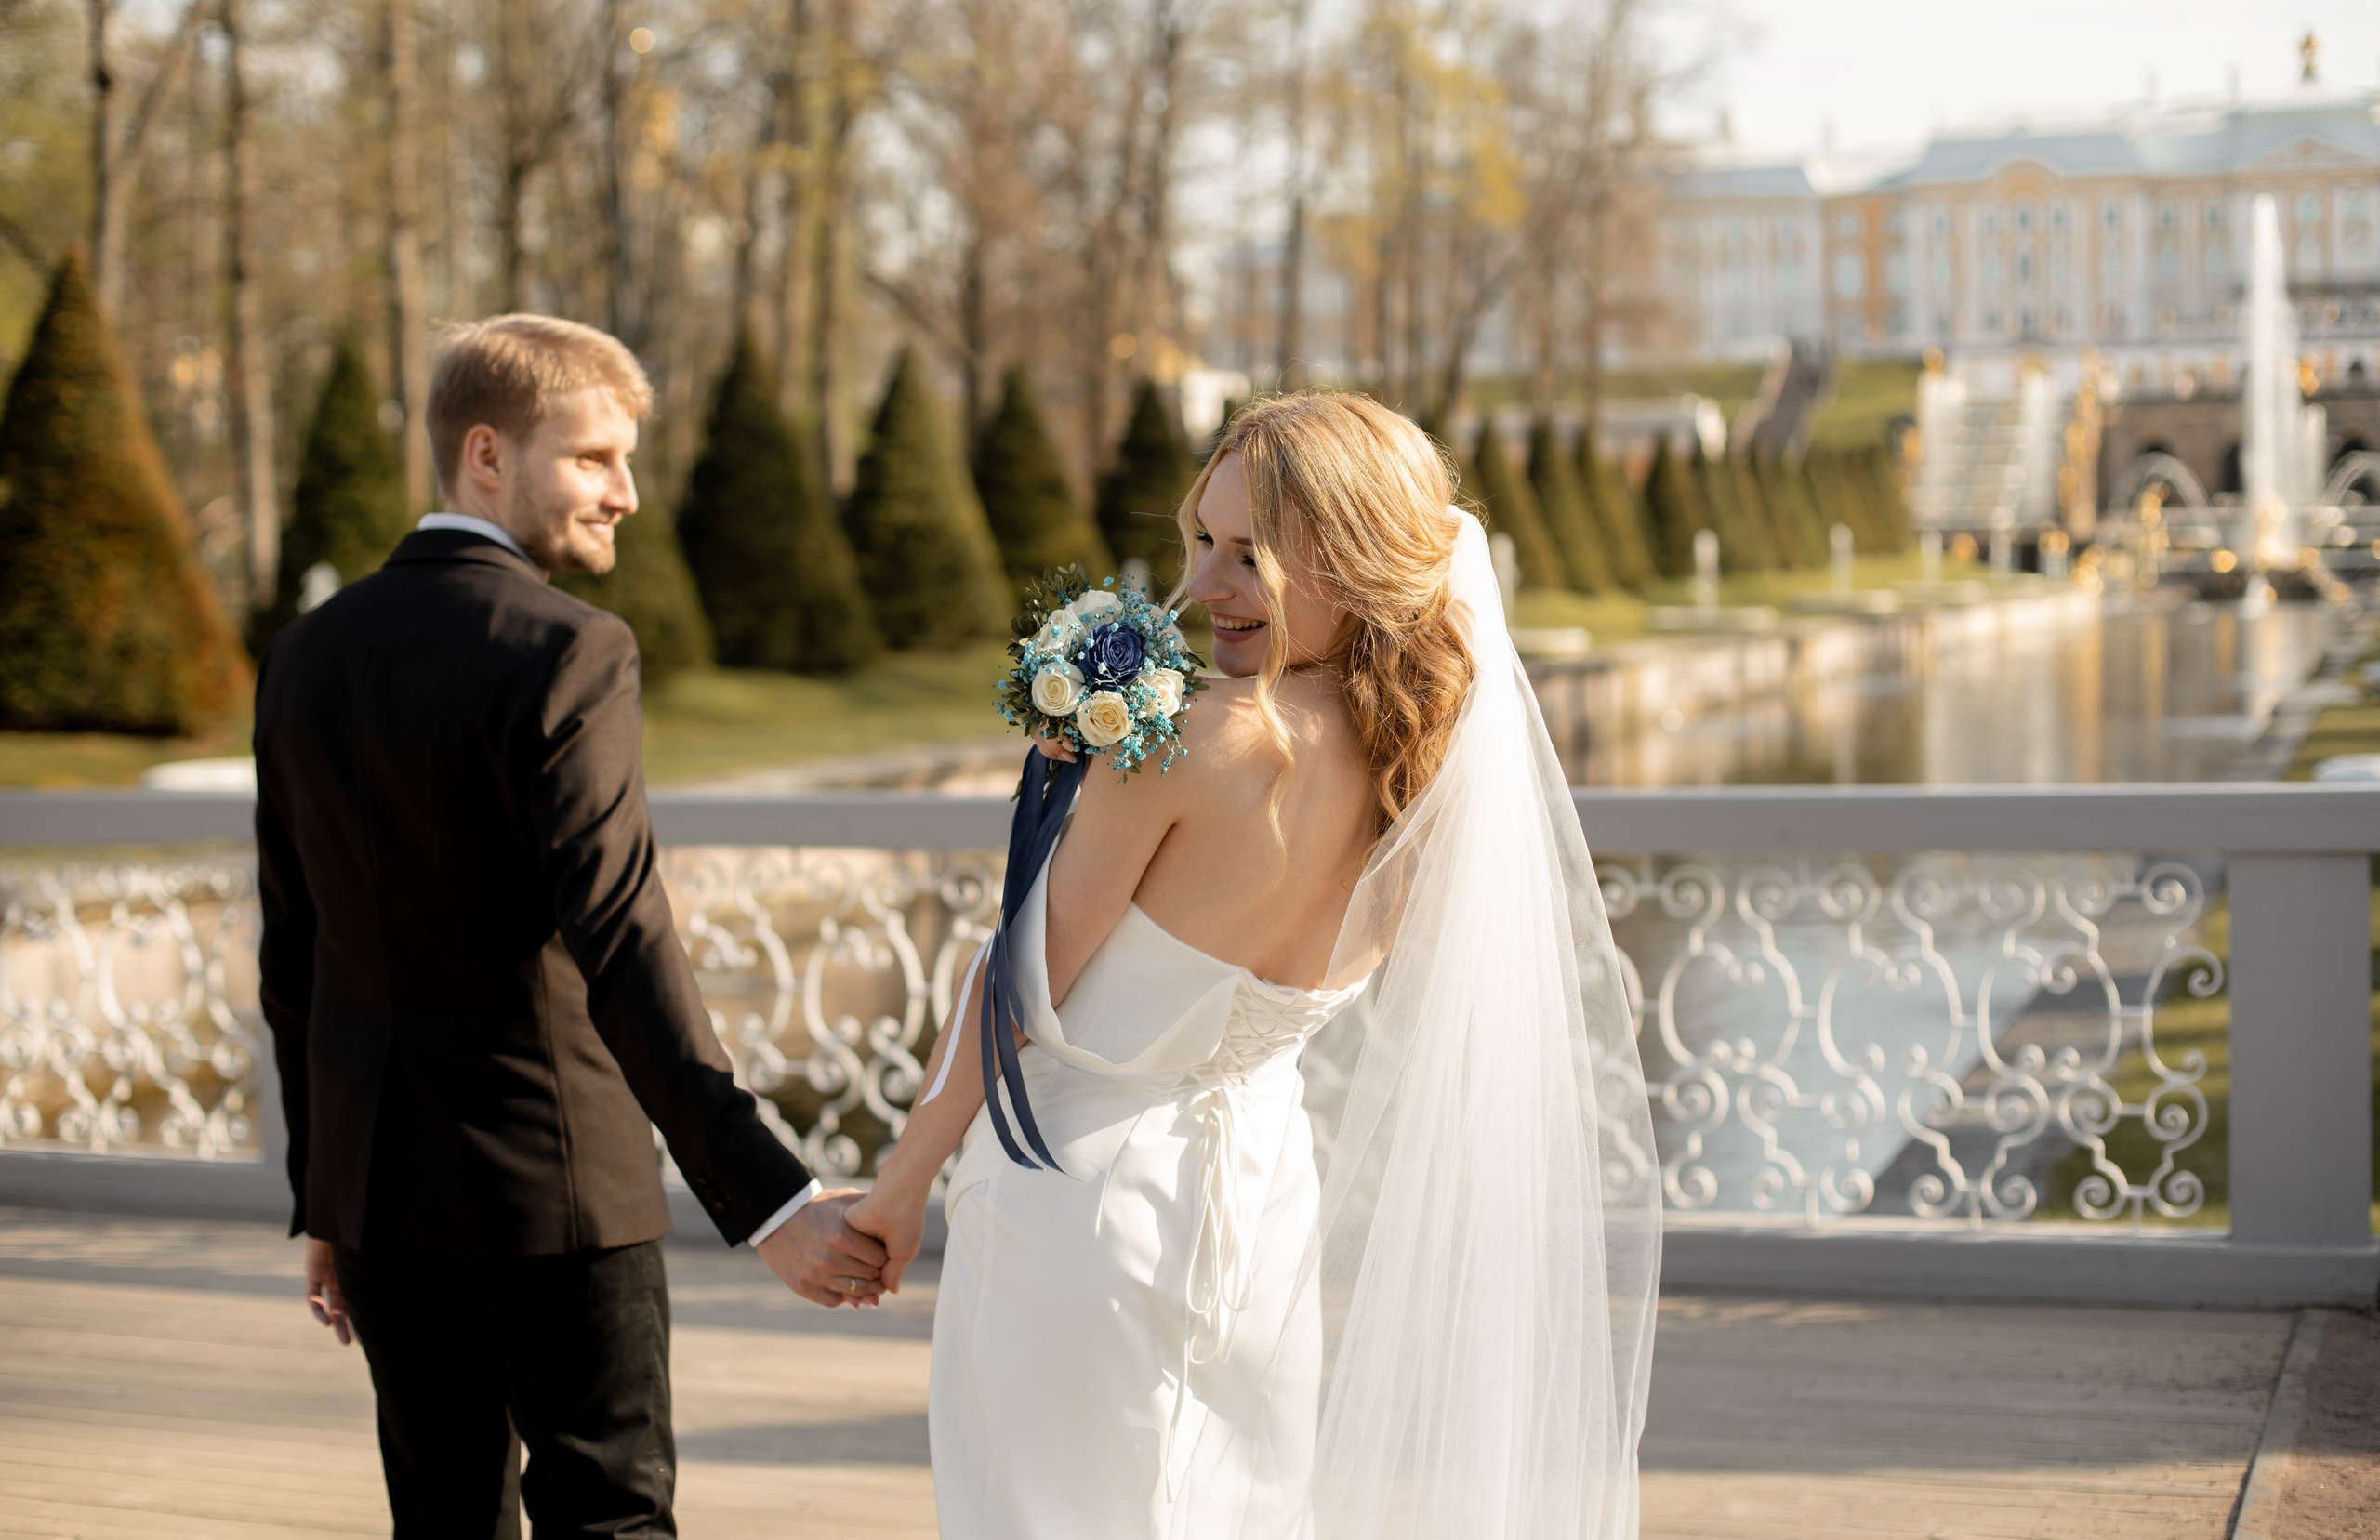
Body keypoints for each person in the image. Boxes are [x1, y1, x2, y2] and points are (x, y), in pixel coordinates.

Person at [849, 391, 1661, 1538]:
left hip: (1078, 1213)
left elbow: (1018, 988)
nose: (1206, 588)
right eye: (1201, 542)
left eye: (1254, 555)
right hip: (1262, 1217)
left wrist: (896, 1191)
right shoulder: (1427, 776)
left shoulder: (1189, 746)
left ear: (1356, 564)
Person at [254, 314, 888, 1539]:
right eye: (595, 457)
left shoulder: (303, 655)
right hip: (558, 1195)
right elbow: (622, 939)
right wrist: (767, 1196)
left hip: (382, 1197)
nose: (629, 493)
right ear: (486, 454)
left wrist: (326, 1190)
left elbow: (296, 953)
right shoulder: (570, 649)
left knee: (442, 1518)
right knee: (610, 1518)